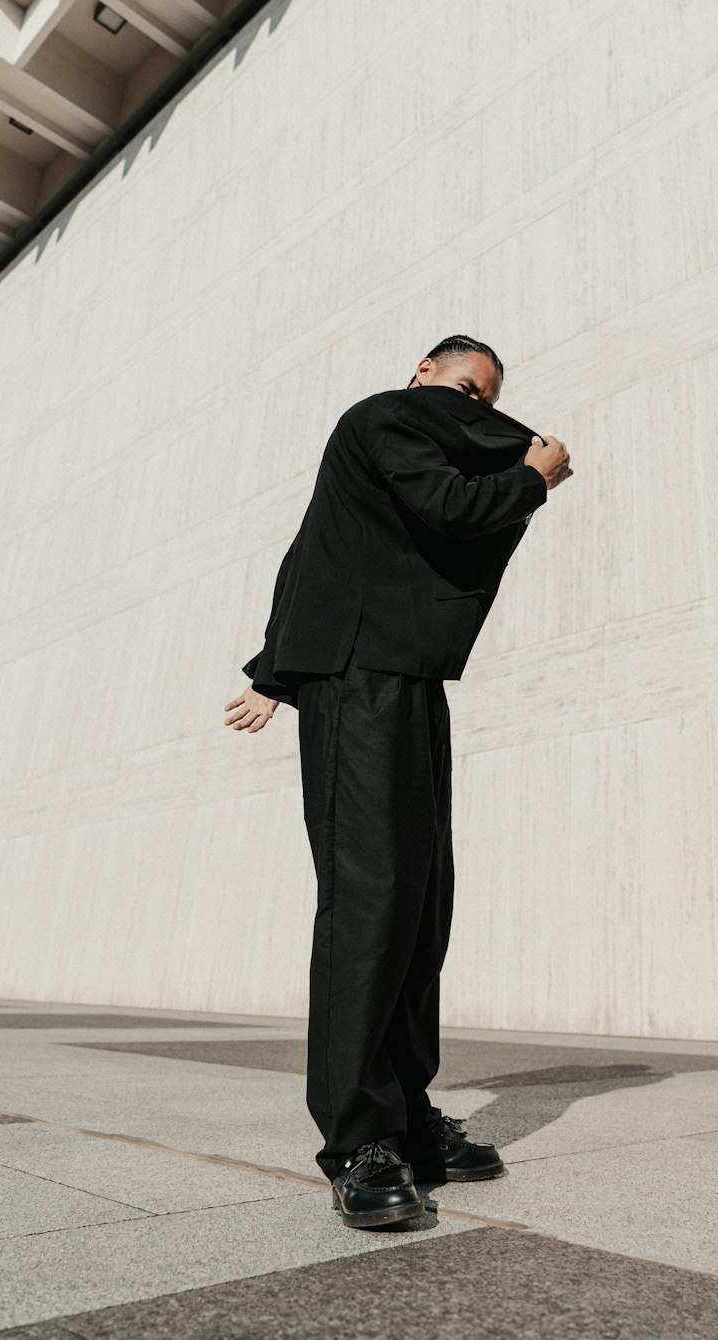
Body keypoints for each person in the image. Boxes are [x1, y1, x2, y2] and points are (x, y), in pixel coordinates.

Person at [224, 337, 571, 1229]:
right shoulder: (385, 413)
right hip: (357, 681)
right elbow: (453, 507)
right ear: (421, 374)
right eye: (464, 388)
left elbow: (315, 553)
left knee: (421, 906)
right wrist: (532, 475)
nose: (474, 408)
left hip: (407, 681)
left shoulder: (397, 436)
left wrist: (268, 670)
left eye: (487, 400)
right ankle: (356, 1142)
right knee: (371, 901)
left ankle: (409, 1119)